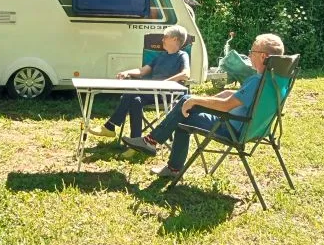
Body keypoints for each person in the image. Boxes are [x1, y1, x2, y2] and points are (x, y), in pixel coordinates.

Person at [122, 33, 284, 178]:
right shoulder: (274, 80)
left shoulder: (257, 81)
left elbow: (226, 106)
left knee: (184, 111)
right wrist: (209, 97)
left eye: (253, 51)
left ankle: (156, 147)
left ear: (263, 56)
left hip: (231, 128)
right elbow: (237, 98)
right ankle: (156, 147)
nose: (249, 55)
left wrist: (195, 101)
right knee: (186, 105)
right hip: (254, 128)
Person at [87, 25, 191, 139]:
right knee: (135, 100)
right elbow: (142, 71)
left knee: (130, 93)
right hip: (153, 92)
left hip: (169, 94)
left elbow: (186, 74)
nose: (162, 40)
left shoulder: (182, 55)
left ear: (175, 39)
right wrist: (127, 72)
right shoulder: (161, 56)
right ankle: (135, 141)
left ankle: (110, 126)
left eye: (165, 37)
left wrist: (165, 83)